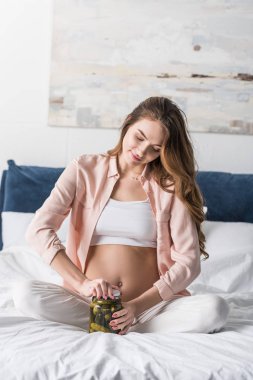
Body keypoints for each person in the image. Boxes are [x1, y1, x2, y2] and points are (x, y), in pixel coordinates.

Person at [12, 96, 230, 335]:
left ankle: (127, 324)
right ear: (128, 123)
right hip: (87, 303)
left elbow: (189, 262)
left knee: (215, 309)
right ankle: (112, 322)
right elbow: (39, 230)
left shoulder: (171, 186)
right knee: (25, 293)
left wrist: (135, 307)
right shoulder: (83, 169)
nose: (142, 151)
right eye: (139, 137)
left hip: (150, 308)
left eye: (155, 149)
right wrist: (83, 284)